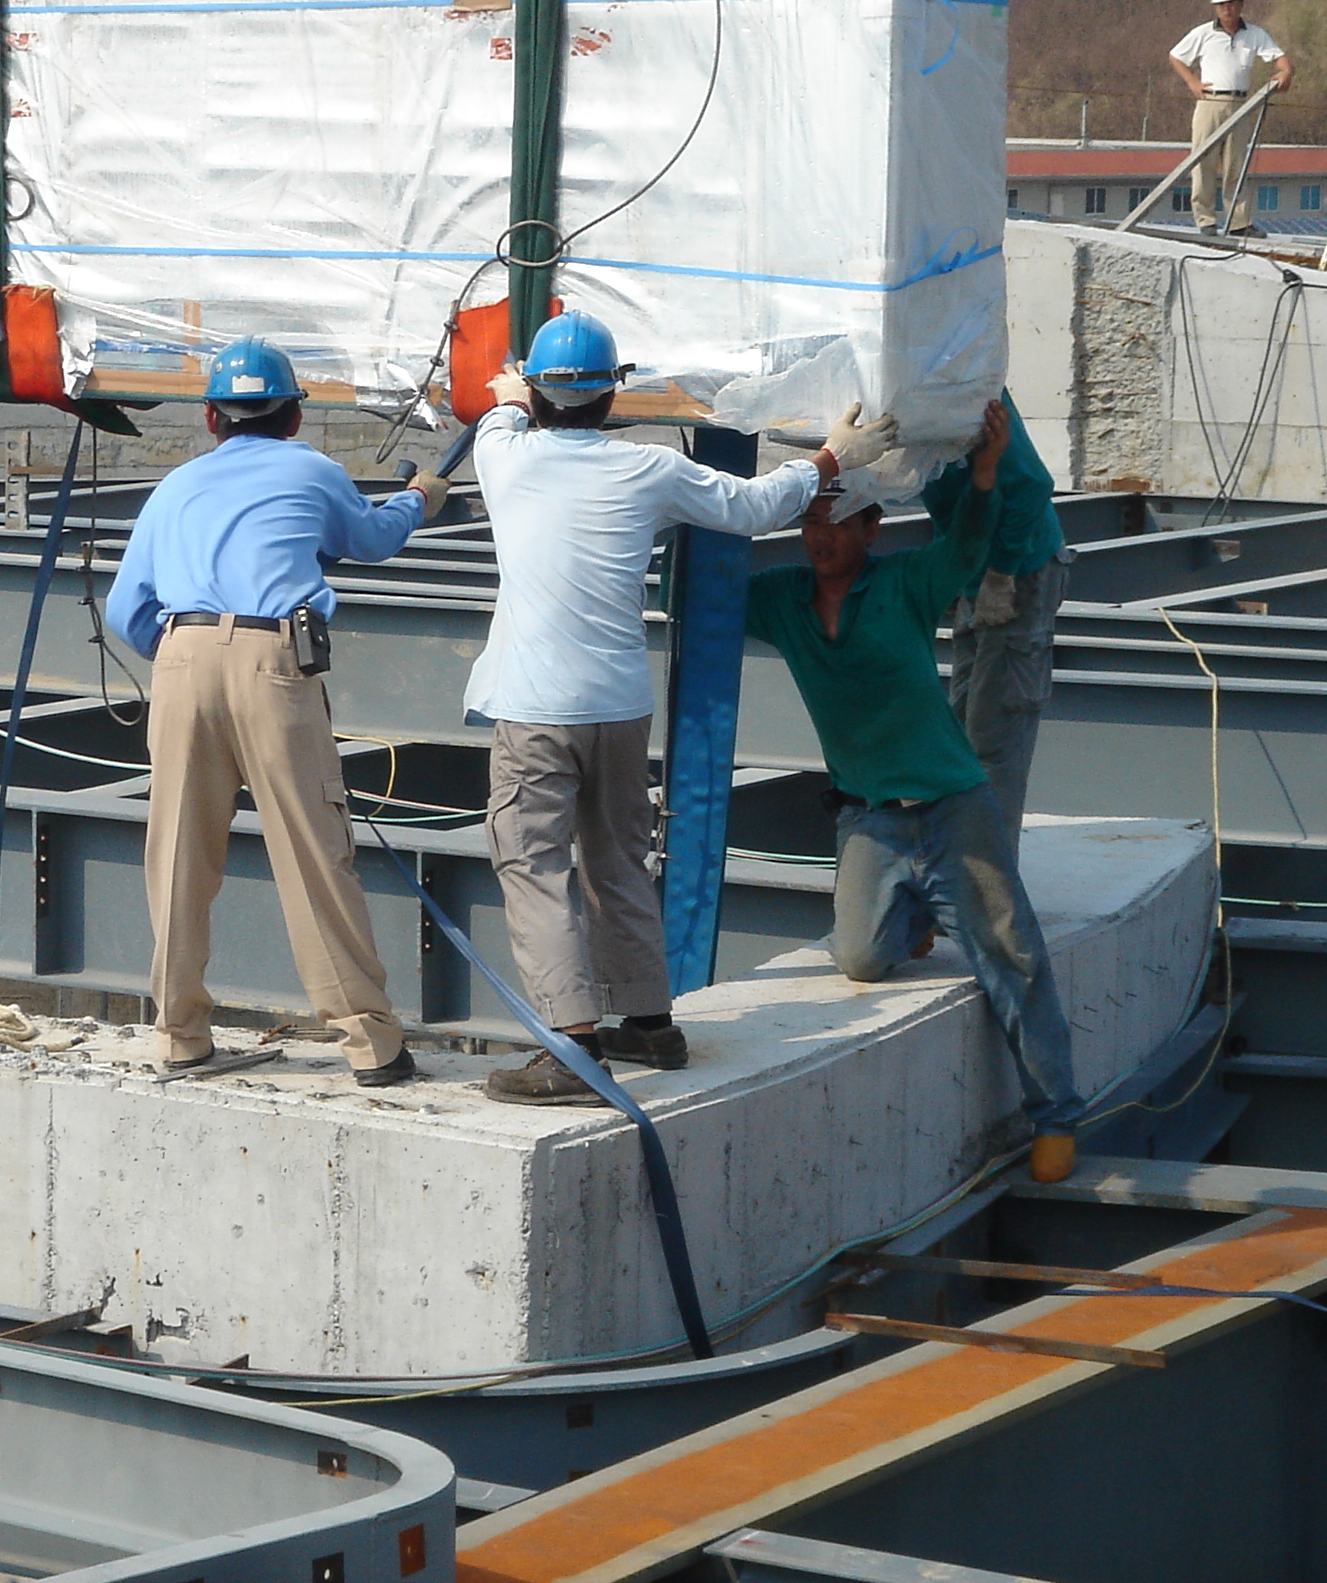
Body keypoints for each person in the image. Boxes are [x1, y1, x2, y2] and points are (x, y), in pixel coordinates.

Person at [466, 313, 899, 1105]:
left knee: (533, 867)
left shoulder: (505, 456)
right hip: (619, 707)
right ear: (613, 394)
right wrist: (833, 458)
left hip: (534, 705)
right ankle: (649, 1022)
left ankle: (571, 1045)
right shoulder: (649, 471)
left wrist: (509, 394)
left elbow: (495, 411)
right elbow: (752, 505)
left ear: (538, 390)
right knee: (616, 860)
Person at [745, 401, 1083, 1182]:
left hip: (954, 807)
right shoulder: (786, 601)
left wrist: (988, 474)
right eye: (813, 524)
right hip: (871, 818)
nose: (822, 537)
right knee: (860, 957)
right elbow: (689, 587)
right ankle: (917, 913)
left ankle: (1058, 1113)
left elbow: (967, 544)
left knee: (1009, 951)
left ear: (872, 532)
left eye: (841, 524)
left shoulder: (905, 585)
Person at [105, 338, 449, 1086]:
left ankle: (178, 1035)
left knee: (177, 857)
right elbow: (374, 539)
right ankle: (369, 1044)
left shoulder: (173, 488)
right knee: (311, 850)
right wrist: (422, 496)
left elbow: (125, 608)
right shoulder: (312, 470)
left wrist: (180, 659)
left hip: (180, 658)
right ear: (294, 416)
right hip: (272, 662)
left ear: (210, 419)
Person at [919, 390, 1066, 848]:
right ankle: (957, 861)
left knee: (995, 731)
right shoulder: (910, 403)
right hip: (977, 567)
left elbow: (1031, 486)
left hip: (1021, 568)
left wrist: (1001, 573)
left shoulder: (966, 392)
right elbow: (944, 495)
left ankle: (990, 884)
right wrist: (957, 567)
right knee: (962, 721)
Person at [1168, 0, 1293, 235]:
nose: (1227, 9)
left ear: (1241, 4)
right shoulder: (1203, 33)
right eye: (1222, 4)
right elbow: (1176, 56)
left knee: (1235, 164)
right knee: (1203, 162)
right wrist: (1192, 81)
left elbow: (1279, 59)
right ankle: (1206, 221)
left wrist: (1285, 72)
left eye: (1232, 3)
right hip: (1210, 102)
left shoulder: (1255, 34)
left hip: (1240, 104)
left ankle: (1238, 223)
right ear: (1215, 7)